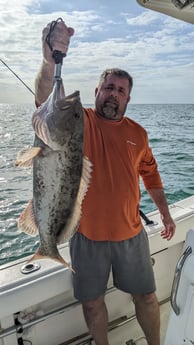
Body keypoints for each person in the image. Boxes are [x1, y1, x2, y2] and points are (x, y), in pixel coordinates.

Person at [35, 20, 176, 345]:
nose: (114, 94)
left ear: (128, 98)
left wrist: (165, 213)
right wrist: (47, 62)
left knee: (148, 298)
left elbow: (151, 175)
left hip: (132, 235)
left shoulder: (138, 134)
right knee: (92, 303)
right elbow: (46, 100)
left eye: (121, 90)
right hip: (86, 238)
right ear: (97, 92)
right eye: (108, 88)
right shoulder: (78, 121)